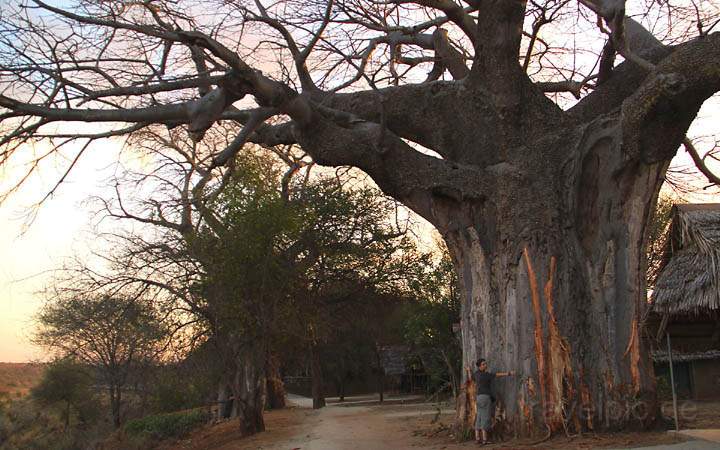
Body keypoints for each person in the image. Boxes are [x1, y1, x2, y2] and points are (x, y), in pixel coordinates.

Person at [466, 358, 514, 445]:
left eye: (485, 364)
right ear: (480, 366)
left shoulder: (476, 374)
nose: (485, 365)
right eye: (483, 364)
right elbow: (497, 374)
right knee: (485, 417)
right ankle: (484, 440)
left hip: (479, 398)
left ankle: (477, 438)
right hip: (485, 397)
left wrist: (469, 370)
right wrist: (508, 373)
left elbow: (470, 378)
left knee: (479, 417)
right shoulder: (486, 375)